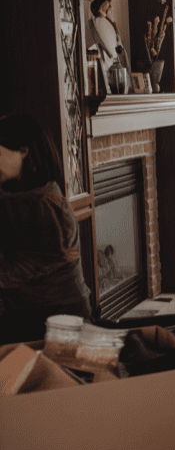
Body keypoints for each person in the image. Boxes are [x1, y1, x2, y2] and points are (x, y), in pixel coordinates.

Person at [0, 113, 94, 344]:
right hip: (29, 313)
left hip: (57, 319)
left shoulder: (46, 205)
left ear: (24, 151)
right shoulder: (18, 194)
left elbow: (18, 268)